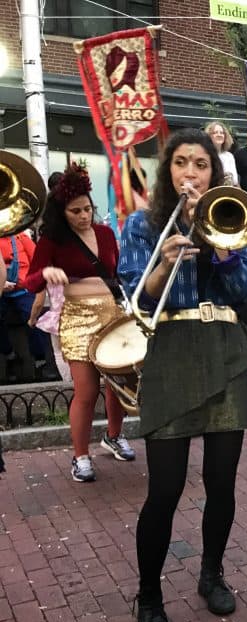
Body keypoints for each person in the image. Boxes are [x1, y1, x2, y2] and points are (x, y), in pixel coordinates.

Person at [118, 128, 247, 622]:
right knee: (166, 489)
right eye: (181, 164)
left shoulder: (233, 218)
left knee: (222, 482)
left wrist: (220, 248)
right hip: (172, 351)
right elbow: (133, 297)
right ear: (168, 172)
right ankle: (149, 597)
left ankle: (211, 573)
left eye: (201, 165)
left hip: (223, 349)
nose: (191, 174)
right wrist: (164, 263)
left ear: (213, 173)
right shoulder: (142, 224)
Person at [24, 165, 136, 482]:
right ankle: (80, 456)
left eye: (87, 208)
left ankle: (114, 436)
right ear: (62, 212)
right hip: (75, 318)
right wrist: (46, 274)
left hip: (111, 314)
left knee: (118, 386)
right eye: (76, 211)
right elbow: (31, 280)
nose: (84, 215)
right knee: (86, 392)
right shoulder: (52, 239)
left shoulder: (105, 233)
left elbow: (119, 274)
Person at [1, 231, 56, 382]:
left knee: (34, 318)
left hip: (23, 290)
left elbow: (38, 262)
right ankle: (9, 354)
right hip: (1, 292)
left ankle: (41, 360)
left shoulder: (21, 238)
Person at [204, 120, 239, 187]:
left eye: (222, 133)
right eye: (215, 133)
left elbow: (235, 181)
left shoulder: (229, 156)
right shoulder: (205, 155)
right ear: (208, 136)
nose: (219, 135)